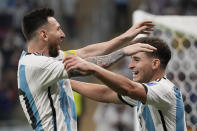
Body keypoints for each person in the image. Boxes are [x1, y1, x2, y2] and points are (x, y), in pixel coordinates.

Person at [17, 7, 155, 131]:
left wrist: (125, 37)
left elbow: (86, 52)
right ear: (44, 35)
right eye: (58, 29)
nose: (63, 34)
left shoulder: (48, 59)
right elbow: (86, 67)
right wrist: (124, 51)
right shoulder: (35, 65)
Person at [64, 37, 187, 131]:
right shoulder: (144, 94)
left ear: (155, 64)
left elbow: (129, 88)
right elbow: (105, 93)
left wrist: (93, 68)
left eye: (136, 60)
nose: (130, 65)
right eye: (131, 60)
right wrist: (64, 82)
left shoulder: (165, 89)